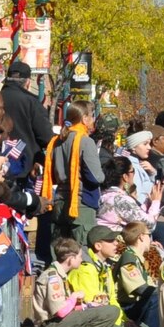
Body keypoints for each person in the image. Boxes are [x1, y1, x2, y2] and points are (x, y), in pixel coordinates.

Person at [34, 236, 128, 327]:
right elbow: (60, 311)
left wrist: (88, 306)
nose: (82, 259)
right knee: (111, 312)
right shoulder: (53, 277)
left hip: (59, 321)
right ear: (71, 259)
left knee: (105, 311)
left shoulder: (60, 274)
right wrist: (74, 297)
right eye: (79, 256)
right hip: (53, 324)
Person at [43, 101, 102, 242]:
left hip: (59, 202)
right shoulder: (86, 141)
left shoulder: (56, 141)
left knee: (61, 253)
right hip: (80, 204)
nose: (93, 120)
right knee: (82, 253)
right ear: (84, 118)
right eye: (92, 116)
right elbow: (96, 177)